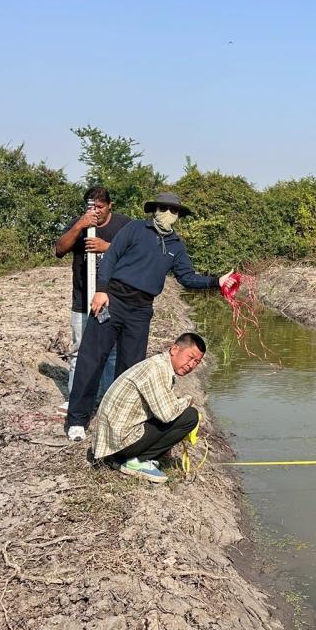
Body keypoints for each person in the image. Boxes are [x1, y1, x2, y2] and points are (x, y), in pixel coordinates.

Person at [64, 191, 233, 441]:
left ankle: (118, 419)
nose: (169, 214)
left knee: (130, 367)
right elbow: (110, 258)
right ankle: (77, 419)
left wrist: (217, 281)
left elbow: (187, 278)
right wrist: (101, 291)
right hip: (114, 299)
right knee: (92, 358)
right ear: (155, 210)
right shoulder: (135, 229)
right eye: (164, 208)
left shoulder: (176, 246)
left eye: (174, 211)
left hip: (141, 309)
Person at [53, 186, 130, 412]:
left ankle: (108, 399)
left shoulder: (124, 226)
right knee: (79, 349)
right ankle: (77, 396)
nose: (96, 211)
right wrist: (80, 225)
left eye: (100, 207)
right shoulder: (80, 224)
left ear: (109, 205)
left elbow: (137, 255)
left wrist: (107, 247)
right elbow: (59, 249)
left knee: (111, 351)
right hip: (82, 299)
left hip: (112, 299)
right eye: (91, 207)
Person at [90, 332, 206, 483]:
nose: (191, 365)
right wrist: (188, 400)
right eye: (190, 358)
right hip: (118, 443)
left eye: (197, 362)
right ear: (174, 350)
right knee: (190, 416)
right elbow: (167, 415)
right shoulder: (157, 369)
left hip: (112, 440)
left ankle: (131, 456)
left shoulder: (160, 364)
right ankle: (134, 461)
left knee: (179, 411)